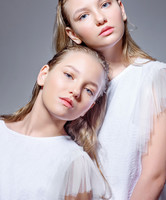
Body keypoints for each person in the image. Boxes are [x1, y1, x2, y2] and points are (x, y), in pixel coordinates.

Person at [53, 0, 166, 200]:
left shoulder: (156, 77)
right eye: (84, 15)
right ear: (73, 34)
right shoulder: (72, 93)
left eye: (105, 4)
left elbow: (154, 177)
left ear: (121, 10)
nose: (100, 18)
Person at [0, 45, 111, 200]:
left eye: (89, 90)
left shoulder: (75, 162)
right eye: (69, 75)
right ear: (44, 75)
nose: (76, 91)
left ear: (90, 106)